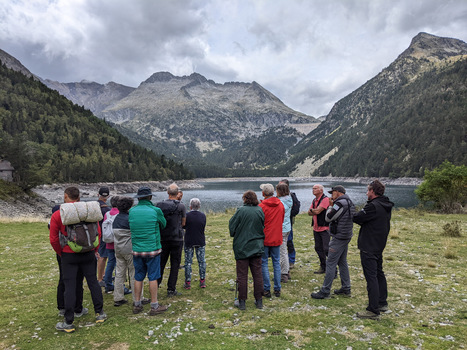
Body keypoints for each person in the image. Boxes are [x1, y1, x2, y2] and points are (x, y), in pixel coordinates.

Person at [49, 186, 106, 332]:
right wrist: (95, 249)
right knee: (93, 282)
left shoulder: (58, 214)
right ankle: (100, 313)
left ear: (65, 196)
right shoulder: (87, 210)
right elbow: (97, 231)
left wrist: (61, 252)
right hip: (88, 252)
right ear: (79, 197)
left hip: (68, 254)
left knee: (69, 285)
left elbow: (54, 238)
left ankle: (69, 322)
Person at [353, 180, 394, 320]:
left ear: (373, 191)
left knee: (371, 277)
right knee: (379, 273)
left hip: (369, 245)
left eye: (368, 190)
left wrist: (354, 211)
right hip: (378, 244)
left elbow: (357, 217)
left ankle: (373, 310)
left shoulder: (373, 206)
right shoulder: (385, 205)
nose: (366, 193)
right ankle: (382, 302)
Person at [129, 186, 168, 315]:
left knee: (138, 277)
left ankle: (137, 303)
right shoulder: (155, 210)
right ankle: (154, 305)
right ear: (150, 197)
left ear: (138, 198)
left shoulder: (132, 211)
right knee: (153, 277)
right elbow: (163, 224)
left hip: (137, 249)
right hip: (152, 249)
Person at [311, 185, 355, 300]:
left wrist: (330, 207)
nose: (331, 195)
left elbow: (328, 217)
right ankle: (346, 288)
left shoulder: (339, 203)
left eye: (333, 192)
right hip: (346, 234)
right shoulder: (349, 202)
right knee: (342, 261)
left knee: (330, 262)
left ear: (338, 192)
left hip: (339, 236)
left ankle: (325, 291)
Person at [229, 190, 265, 310]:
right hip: (256, 246)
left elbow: (232, 227)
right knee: (257, 274)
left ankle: (242, 301)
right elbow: (262, 225)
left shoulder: (241, 210)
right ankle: (259, 300)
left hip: (242, 247)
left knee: (242, 275)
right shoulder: (260, 210)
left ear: (245, 199)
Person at [49, 205, 85, 319]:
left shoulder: (54, 220)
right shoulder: (70, 219)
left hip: (62, 251)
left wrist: (59, 252)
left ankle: (62, 306)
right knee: (77, 279)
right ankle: (77, 307)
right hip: (70, 250)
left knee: (63, 278)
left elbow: (54, 239)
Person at [112, 196, 149, 307]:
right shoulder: (130, 219)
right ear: (129, 206)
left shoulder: (116, 219)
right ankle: (138, 298)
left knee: (119, 273)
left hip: (118, 249)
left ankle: (118, 297)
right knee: (135, 273)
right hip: (129, 249)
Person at [156, 183, 187, 297]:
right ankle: (171, 289)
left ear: (167, 193)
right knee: (175, 264)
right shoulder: (181, 206)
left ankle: (156, 285)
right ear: (177, 193)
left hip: (163, 238)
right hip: (177, 238)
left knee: (161, 263)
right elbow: (184, 223)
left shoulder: (159, 205)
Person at [258, 183, 284, 298]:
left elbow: (259, 222)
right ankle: (277, 289)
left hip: (265, 238)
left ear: (263, 193)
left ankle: (266, 289)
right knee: (276, 263)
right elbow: (281, 220)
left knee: (263, 263)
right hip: (277, 237)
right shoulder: (280, 205)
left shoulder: (262, 206)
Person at [183, 198, 207, 289]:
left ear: (190, 206)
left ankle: (188, 282)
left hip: (189, 240)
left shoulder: (187, 215)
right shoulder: (203, 215)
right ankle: (202, 281)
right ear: (199, 206)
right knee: (201, 261)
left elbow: (184, 226)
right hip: (200, 240)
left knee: (188, 262)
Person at [308, 184, 331, 274]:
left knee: (326, 249)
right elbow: (309, 213)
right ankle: (323, 267)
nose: (313, 190)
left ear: (321, 190)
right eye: (313, 188)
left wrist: (313, 210)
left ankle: (333, 270)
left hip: (325, 229)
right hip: (316, 228)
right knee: (318, 248)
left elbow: (317, 211)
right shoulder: (315, 200)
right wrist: (314, 210)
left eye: (315, 188)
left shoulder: (325, 199)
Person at [279, 179, 300, 270]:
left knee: (289, 241)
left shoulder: (291, 197)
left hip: (287, 223)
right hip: (282, 223)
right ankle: (284, 262)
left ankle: (291, 260)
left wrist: (288, 216)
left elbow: (296, 209)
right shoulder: (279, 198)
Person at [276, 183, 292, 284]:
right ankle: (286, 270)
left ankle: (284, 273)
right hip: (287, 226)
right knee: (284, 249)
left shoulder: (281, 202)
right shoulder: (289, 199)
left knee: (282, 251)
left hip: (281, 228)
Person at [102, 196, 118, 293]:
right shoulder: (120, 214)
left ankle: (108, 284)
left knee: (110, 263)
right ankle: (119, 285)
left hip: (108, 242)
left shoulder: (107, 214)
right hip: (118, 242)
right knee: (120, 265)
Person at [97, 186, 111, 288]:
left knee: (101, 256)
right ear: (108, 196)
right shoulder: (106, 209)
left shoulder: (94, 206)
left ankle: (102, 276)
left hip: (95, 234)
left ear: (98, 195)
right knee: (103, 256)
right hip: (103, 234)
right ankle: (100, 278)